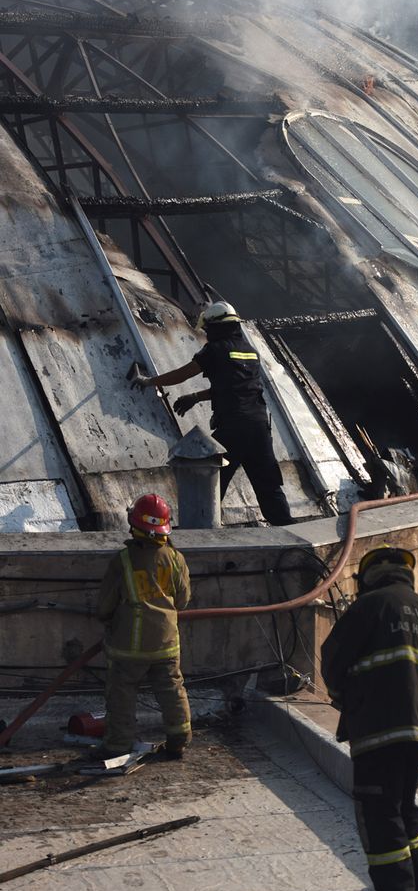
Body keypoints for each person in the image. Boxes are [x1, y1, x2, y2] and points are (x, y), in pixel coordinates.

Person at [321, 545, 418, 891]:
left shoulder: (369, 608)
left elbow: (333, 660)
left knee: (378, 812)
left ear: (368, 577)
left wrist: (346, 700)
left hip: (379, 729)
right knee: (403, 805)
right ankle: (417, 882)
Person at [133, 300, 293, 526]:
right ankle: (289, 533)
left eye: (208, 329)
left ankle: (201, 532)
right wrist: (196, 397)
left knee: (208, 480)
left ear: (216, 327)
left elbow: (184, 374)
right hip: (259, 427)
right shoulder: (250, 352)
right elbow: (233, 387)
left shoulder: (215, 349)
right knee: (268, 485)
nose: (207, 334)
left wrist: (150, 381)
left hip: (233, 428)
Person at [94, 493, 192, 760]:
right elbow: (182, 600)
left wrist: (107, 620)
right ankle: (178, 741)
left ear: (134, 524)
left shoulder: (122, 561)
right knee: (172, 691)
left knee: (121, 696)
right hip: (166, 644)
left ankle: (117, 746)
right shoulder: (175, 558)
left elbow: (105, 605)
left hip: (129, 647)